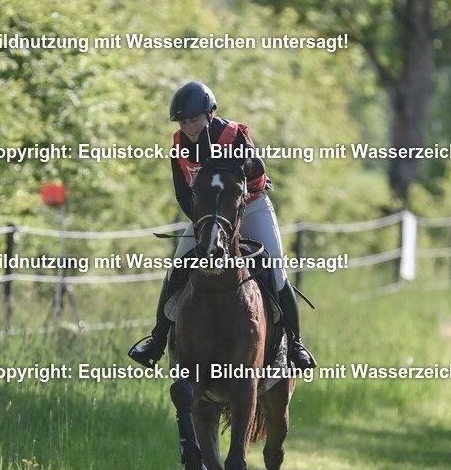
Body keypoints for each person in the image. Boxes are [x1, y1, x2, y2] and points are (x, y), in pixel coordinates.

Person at [127, 81, 316, 370]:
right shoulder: (178, 146)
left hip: (250, 206)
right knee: (176, 268)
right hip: (207, 217)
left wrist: (229, 160)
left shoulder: (233, 135)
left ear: (210, 115)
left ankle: (296, 343)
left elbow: (258, 169)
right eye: (183, 122)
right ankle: (157, 340)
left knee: (276, 270)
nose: (188, 127)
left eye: (194, 120)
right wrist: (206, 225)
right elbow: (182, 194)